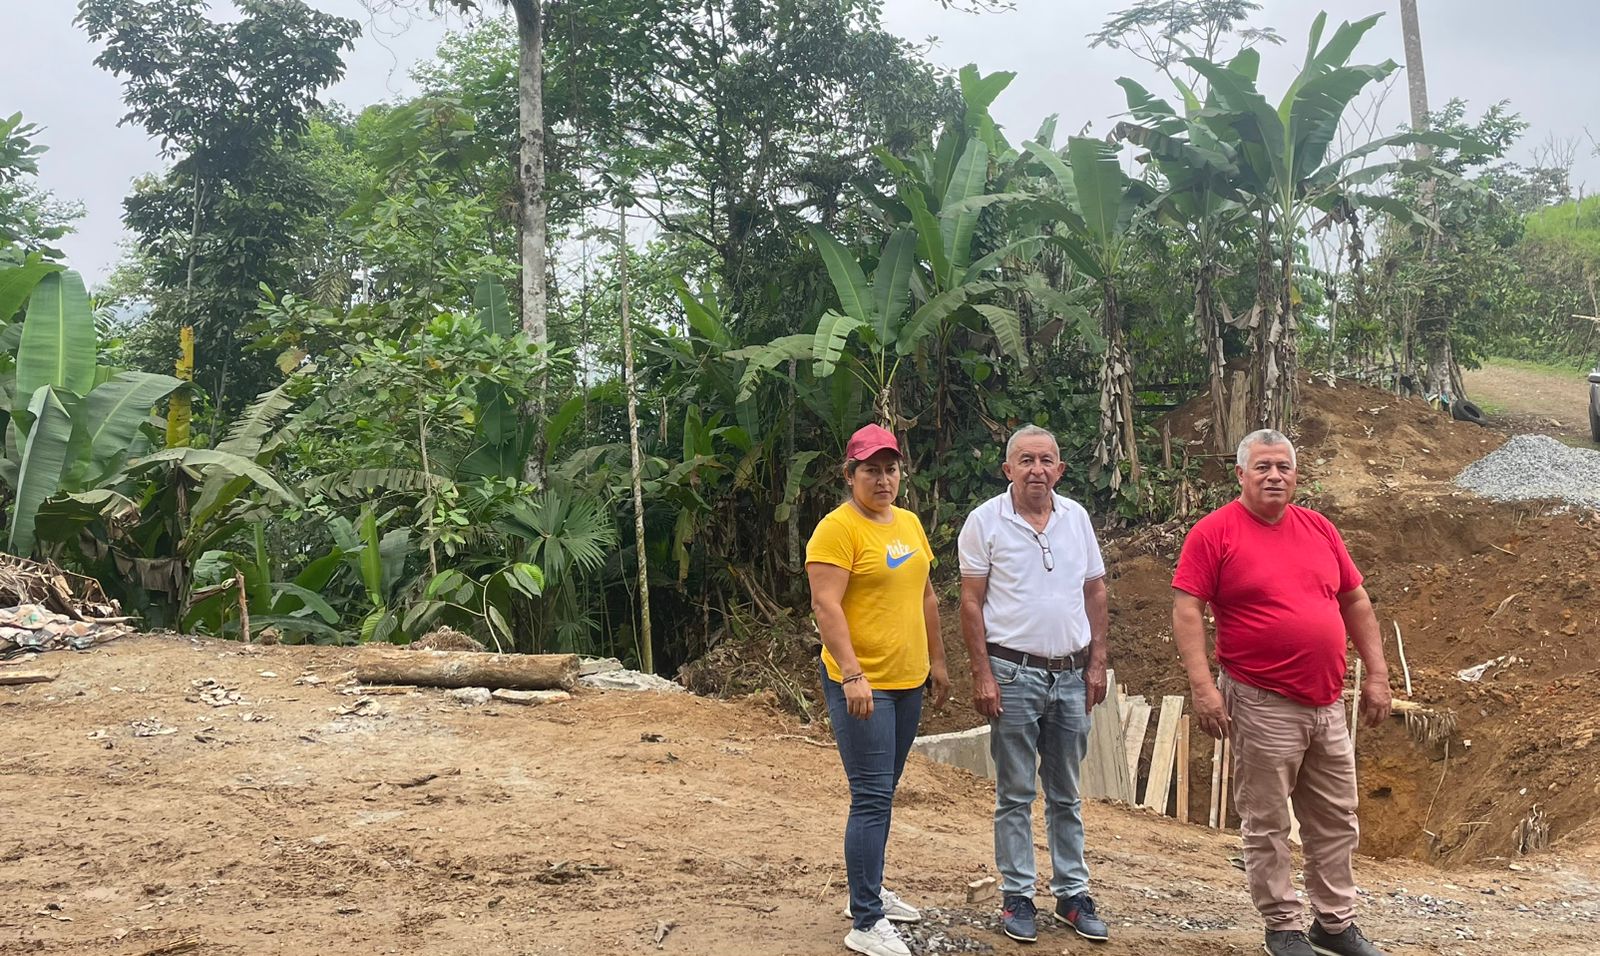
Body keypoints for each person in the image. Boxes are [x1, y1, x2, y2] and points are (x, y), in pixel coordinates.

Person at [1170, 429, 1393, 956]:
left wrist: (1378, 674)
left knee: (1336, 818)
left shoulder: (1319, 528)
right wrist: (1203, 688)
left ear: (1296, 474)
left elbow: (1355, 601)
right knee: (1267, 821)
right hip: (1260, 700)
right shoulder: (1214, 533)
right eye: (1263, 467)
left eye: (1283, 467)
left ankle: (1334, 924)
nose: (1274, 476)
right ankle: (1283, 927)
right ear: (1241, 475)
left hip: (1327, 702)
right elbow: (1186, 609)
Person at [957, 425, 1111, 945]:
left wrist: (1097, 663)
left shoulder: (1077, 519)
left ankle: (1072, 894)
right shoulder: (985, 522)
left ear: (1060, 470)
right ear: (1008, 469)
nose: (1037, 470)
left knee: (1066, 793)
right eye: (1026, 460)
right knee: (1016, 792)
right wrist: (982, 673)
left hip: (1071, 675)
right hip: (1012, 673)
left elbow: (1095, 592)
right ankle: (1018, 895)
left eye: (1046, 460)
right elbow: (971, 602)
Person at [808, 423, 951, 956]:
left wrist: (938, 661)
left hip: (908, 679)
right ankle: (866, 921)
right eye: (871, 470)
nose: (883, 479)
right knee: (870, 796)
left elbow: (926, 596)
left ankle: (866, 891)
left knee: (883, 792)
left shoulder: (909, 524)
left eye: (891, 469)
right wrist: (851, 673)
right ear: (850, 475)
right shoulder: (836, 530)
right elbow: (825, 605)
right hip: (864, 684)